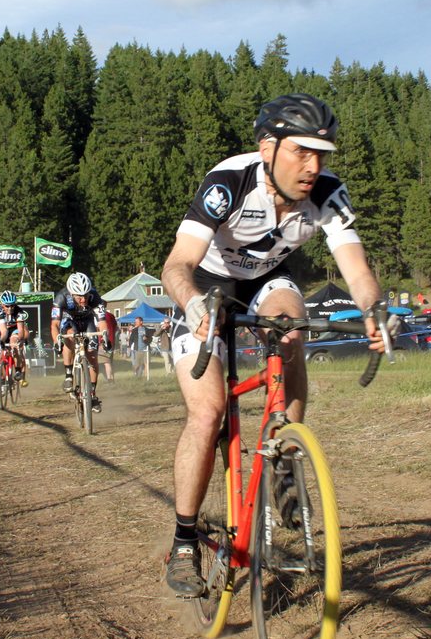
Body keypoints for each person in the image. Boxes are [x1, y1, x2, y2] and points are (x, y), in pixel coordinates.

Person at [160, 93, 386, 598]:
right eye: (301, 152)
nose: (313, 166)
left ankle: (283, 451)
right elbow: (176, 265)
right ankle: (183, 543)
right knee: (208, 411)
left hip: (267, 281)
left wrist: (374, 308)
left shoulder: (328, 193)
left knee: (292, 321)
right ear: (268, 147)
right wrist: (195, 306)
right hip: (207, 285)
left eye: (322, 154)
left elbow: (358, 271)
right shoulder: (229, 183)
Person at [50, 272, 107, 413]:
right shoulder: (61, 297)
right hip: (70, 321)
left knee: (93, 356)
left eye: (86, 296)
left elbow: (102, 321)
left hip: (87, 322)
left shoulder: (95, 297)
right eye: (79, 297)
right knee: (70, 335)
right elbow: (55, 324)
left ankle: (92, 394)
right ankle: (69, 375)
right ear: (72, 294)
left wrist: (106, 337)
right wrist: (57, 340)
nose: (83, 300)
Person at [0, 290, 30, 387]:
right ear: (2, 305)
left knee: (14, 342)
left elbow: (21, 330)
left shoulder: (19, 312)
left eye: (12, 305)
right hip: (2, 331)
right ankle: (2, 378)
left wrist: (19, 340)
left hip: (15, 330)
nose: (10, 308)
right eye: (7, 306)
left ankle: (18, 371)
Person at [101, 309, 119, 382]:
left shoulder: (101, 316)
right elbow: (116, 328)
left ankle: (109, 379)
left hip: (103, 341)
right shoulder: (111, 315)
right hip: (111, 341)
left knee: (106, 362)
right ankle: (112, 378)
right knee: (109, 361)